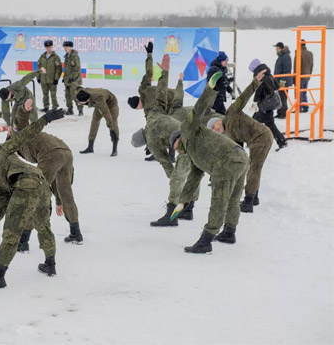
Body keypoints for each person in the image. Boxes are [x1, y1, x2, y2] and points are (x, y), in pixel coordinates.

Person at [0, 108, 65, 288]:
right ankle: (50, 264)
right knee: (43, 227)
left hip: (26, 185)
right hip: (42, 186)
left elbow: (21, 137)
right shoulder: (1, 189)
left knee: (11, 233)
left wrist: (44, 120)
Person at [170, 70, 249, 254]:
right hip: (240, 158)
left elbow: (198, 110)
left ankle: (206, 240)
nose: (177, 151)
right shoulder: (194, 155)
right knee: (233, 198)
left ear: (178, 139)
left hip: (227, 160)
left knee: (219, 199)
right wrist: (182, 203)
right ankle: (229, 232)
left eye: (175, 146)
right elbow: (193, 179)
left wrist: (210, 88)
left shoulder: (188, 129)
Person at [131, 52, 198, 226]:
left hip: (186, 144)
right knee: (193, 172)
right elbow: (161, 93)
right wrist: (165, 73)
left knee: (177, 179)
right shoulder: (154, 113)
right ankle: (189, 209)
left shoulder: (152, 142)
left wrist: (170, 175)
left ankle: (171, 216)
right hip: (196, 135)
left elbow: (165, 160)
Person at [14, 99, 82, 250]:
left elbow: (21, 120)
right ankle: (76, 233)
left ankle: (23, 242)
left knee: (35, 196)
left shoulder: (21, 137)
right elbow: (55, 179)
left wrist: (24, 108)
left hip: (51, 153)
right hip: (66, 152)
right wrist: (58, 200)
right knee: (67, 194)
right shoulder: (34, 140)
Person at [206, 68, 273, 213]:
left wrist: (256, 82)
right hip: (256, 140)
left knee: (254, 167)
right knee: (251, 167)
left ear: (218, 120)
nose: (215, 129)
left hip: (262, 136)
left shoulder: (231, 112)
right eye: (213, 130)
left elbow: (244, 97)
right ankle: (254, 197)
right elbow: (236, 152)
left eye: (214, 126)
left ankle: (248, 202)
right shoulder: (229, 135)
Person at [249, 59, 288, 150]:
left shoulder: (260, 76)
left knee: (253, 123)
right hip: (270, 103)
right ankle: (282, 141)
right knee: (267, 123)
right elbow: (277, 86)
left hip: (264, 105)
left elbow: (259, 90)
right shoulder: (268, 74)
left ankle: (252, 141)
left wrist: (255, 101)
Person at [76, 87, 119, 157]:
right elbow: (76, 87)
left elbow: (106, 113)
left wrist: (111, 129)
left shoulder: (99, 98)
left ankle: (115, 148)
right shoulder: (83, 92)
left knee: (113, 123)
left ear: (88, 99)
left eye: (81, 103)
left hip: (111, 104)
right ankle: (90, 147)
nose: (79, 103)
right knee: (94, 122)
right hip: (98, 103)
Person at [0, 70, 40, 137]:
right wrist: (8, 125)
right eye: (6, 100)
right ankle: (11, 136)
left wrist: (39, 71)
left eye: (8, 98)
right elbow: (5, 111)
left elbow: (28, 77)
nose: (7, 100)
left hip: (27, 97)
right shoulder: (4, 98)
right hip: (18, 101)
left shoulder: (18, 85)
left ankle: (36, 133)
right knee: (14, 115)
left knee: (32, 115)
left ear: (10, 92)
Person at [37, 40, 62, 112]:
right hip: (43, 79)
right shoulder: (42, 56)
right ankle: (46, 107)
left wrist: (56, 79)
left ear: (52, 47)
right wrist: (38, 77)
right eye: (47, 47)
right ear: (45, 48)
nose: (48, 49)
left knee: (53, 94)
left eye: (50, 47)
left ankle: (55, 107)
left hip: (52, 80)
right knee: (45, 95)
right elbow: (39, 67)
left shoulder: (55, 57)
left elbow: (58, 69)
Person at [62, 41, 83, 116]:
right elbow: (67, 69)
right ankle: (70, 110)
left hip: (75, 80)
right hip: (68, 80)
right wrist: (64, 78)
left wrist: (72, 77)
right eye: (64, 47)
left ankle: (80, 110)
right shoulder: (67, 56)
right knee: (67, 96)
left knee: (75, 95)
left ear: (70, 47)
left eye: (67, 47)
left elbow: (77, 68)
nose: (65, 48)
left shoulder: (74, 56)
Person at [273, 42, 293, 119]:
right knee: (280, 97)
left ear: (280, 48)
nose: (276, 50)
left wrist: (283, 81)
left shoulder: (286, 57)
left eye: (277, 48)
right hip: (279, 80)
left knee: (283, 97)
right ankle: (280, 111)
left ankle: (283, 113)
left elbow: (286, 70)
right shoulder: (282, 56)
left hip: (283, 81)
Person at [294, 40, 314, 113]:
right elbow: (311, 65)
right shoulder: (310, 53)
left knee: (299, 92)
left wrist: (294, 76)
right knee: (304, 91)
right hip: (307, 75)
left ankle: (299, 107)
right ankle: (305, 106)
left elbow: (296, 66)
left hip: (300, 75)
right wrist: (309, 74)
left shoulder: (299, 53)